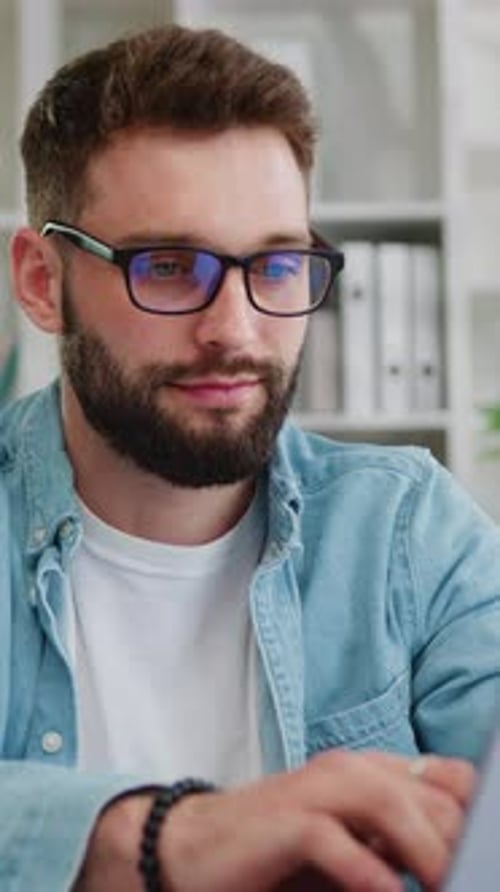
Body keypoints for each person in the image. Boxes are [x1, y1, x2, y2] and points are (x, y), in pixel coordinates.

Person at [1, 21, 498, 892]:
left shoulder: (409, 531)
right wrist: (166, 838)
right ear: (44, 282)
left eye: (276, 265)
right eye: (167, 266)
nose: (234, 332)